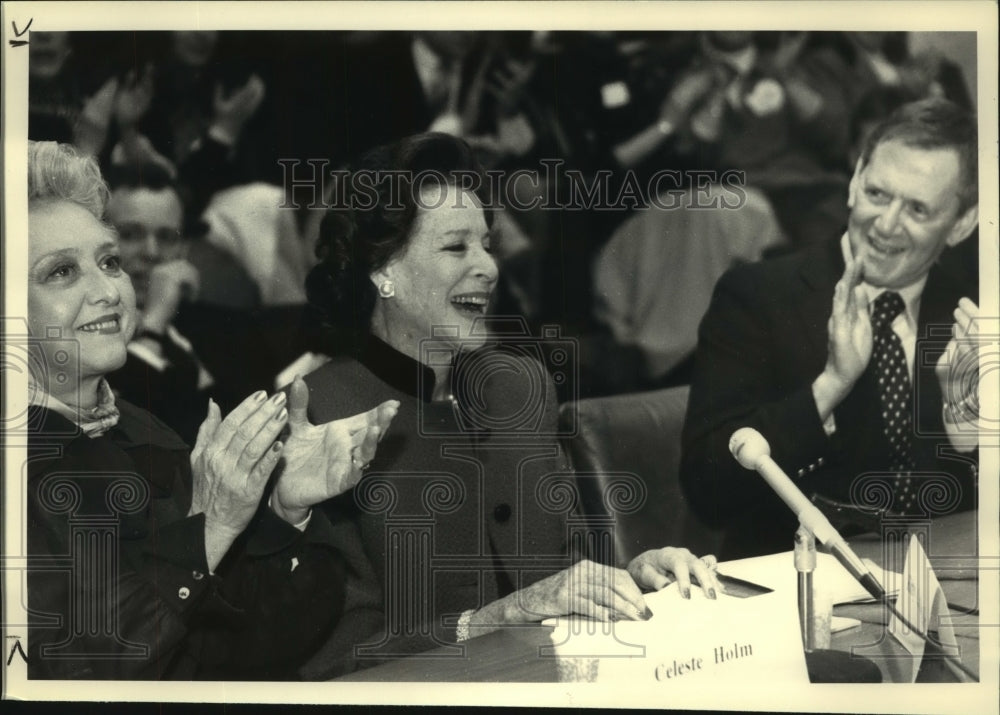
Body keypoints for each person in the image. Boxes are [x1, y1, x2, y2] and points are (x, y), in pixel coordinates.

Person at [298, 133, 722, 678]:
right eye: (456, 247)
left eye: (487, 245)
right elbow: (335, 657)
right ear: (382, 273)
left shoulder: (518, 387)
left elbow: (561, 574)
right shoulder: (322, 413)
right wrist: (499, 617)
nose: (489, 268)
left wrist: (635, 580)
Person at [25, 141, 398, 679]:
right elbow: (76, 672)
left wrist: (284, 511)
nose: (108, 288)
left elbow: (250, 646)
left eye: (108, 261)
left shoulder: (143, 430)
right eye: (61, 272)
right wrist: (211, 528)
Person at [680, 98, 981, 559]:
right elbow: (708, 492)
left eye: (917, 210)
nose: (885, 224)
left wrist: (974, 435)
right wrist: (830, 387)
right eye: (877, 194)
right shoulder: (757, 296)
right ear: (856, 180)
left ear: (961, 224)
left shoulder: (974, 310)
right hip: (799, 590)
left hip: (948, 581)